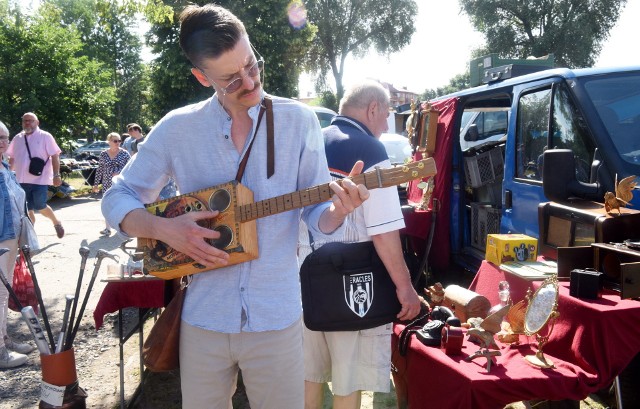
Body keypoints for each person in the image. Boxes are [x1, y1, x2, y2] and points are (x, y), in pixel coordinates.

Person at [100, 4, 369, 408]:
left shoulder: (299, 121)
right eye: (230, 78)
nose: (249, 82)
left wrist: (339, 211)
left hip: (277, 317)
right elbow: (117, 196)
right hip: (204, 318)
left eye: (251, 65)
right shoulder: (177, 128)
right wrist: (162, 228)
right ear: (202, 76)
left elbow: (316, 213)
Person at [298, 80, 422, 409]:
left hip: (301, 284)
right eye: (386, 115)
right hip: (350, 284)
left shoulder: (310, 145)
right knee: (347, 380)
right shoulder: (369, 150)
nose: (385, 125)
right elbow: (383, 230)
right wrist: (405, 287)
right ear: (372, 109)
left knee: (307, 375)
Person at [0, 120, 36, 369]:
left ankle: (3, 339)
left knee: (4, 292)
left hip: (11, 235)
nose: (2, 142)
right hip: (1, 238)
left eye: (4, 137)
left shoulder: (4, 165)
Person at [6, 112, 65, 238]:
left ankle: (56, 222)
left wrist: (56, 175)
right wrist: (7, 175)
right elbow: (12, 158)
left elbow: (55, 155)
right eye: (25, 120)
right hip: (20, 180)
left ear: (37, 122)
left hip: (40, 180)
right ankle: (30, 236)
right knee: (27, 209)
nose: (27, 123)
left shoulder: (45, 136)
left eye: (30, 120)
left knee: (40, 206)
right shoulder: (18, 138)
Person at [92, 132, 130, 236]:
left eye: (119, 141)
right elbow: (100, 170)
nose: (118, 143)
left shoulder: (125, 153)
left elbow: (130, 168)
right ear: (109, 141)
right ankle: (107, 228)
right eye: (115, 141)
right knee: (107, 205)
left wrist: (119, 172)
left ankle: (124, 227)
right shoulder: (103, 154)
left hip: (121, 183)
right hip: (106, 183)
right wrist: (96, 184)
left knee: (121, 205)